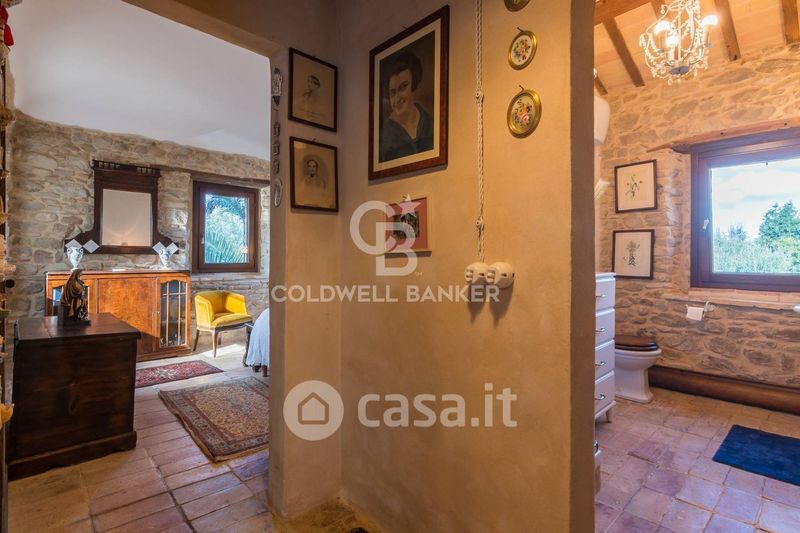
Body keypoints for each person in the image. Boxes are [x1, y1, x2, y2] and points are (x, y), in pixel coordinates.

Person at [379, 50, 434, 162]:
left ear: (414, 86)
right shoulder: (385, 136)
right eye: (392, 93)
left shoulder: (429, 122)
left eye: (403, 87)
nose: (397, 99)